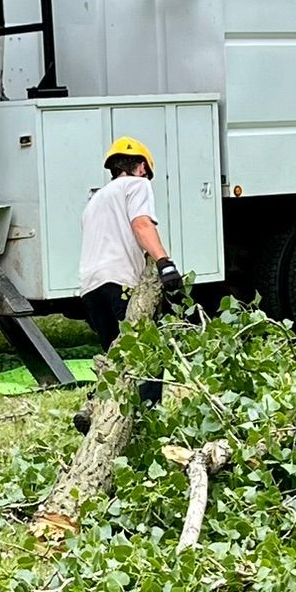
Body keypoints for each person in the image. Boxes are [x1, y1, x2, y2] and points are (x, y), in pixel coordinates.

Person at [78, 137, 183, 409]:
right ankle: (148, 415)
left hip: (90, 288)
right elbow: (141, 224)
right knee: (149, 352)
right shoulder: (138, 185)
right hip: (120, 282)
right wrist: (165, 264)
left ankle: (106, 413)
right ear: (141, 167)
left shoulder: (95, 200)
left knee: (117, 359)